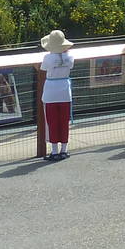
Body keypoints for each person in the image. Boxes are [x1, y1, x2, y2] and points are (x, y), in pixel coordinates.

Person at [39, 30, 75, 160]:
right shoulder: (70, 58)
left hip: (51, 91)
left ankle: (54, 152)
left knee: (52, 121)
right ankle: (64, 150)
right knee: (64, 121)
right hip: (65, 90)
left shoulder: (48, 58)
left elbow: (43, 68)